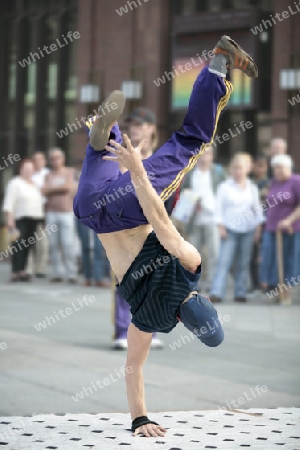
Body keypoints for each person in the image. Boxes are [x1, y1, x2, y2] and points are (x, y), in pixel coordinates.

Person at [74, 36, 257, 437]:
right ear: (184, 324)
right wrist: (141, 418)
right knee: (102, 154)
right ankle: (104, 138)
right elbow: (133, 367)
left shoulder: (190, 266)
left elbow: (158, 217)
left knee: (192, 139)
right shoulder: (152, 319)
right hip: (91, 211)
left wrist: (138, 171)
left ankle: (217, 66)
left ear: (203, 299)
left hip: (131, 206)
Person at [113, 107, 163, 350]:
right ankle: (123, 331)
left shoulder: (161, 157)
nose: (136, 128)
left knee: (153, 281)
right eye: (133, 124)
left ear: (152, 128)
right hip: (126, 224)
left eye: (142, 124)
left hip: (156, 224)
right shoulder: (121, 155)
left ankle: (148, 332)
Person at [210, 153, 264, 303]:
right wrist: (221, 227)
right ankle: (216, 292)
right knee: (224, 262)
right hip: (229, 230)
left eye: (241, 168)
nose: (238, 172)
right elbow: (218, 209)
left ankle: (240, 292)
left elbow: (257, 210)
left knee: (243, 262)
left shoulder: (252, 188)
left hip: (248, 230)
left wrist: (258, 229)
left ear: (247, 169)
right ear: (231, 169)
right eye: (235, 168)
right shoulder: (224, 187)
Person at [181, 146, 226, 293]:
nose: (205, 157)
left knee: (214, 253)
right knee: (194, 255)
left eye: (208, 154)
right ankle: (195, 284)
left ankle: (213, 285)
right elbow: (184, 193)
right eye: (202, 154)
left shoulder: (218, 172)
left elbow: (226, 193)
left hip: (213, 219)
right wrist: (192, 202)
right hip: (195, 220)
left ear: (212, 156)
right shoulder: (190, 173)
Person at [260, 154, 300, 305]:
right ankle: (277, 291)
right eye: (275, 168)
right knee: (272, 260)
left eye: (281, 167)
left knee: (288, 260)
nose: (277, 171)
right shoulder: (274, 183)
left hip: (290, 229)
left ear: (289, 168)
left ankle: (286, 294)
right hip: (271, 227)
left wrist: (289, 220)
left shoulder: (296, 181)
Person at [3, 159, 44, 281]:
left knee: (28, 246)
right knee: (18, 245)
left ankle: (22, 271)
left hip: (34, 219)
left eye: (30, 169)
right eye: (25, 169)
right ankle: (15, 272)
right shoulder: (15, 183)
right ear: (20, 169)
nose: (28, 171)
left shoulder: (34, 184)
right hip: (20, 219)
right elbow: (9, 202)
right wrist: (10, 220)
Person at [42, 148, 77, 283]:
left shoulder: (69, 172)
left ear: (63, 159)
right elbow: (43, 191)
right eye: (52, 158)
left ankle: (71, 273)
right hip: (51, 213)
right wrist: (56, 188)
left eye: (57, 158)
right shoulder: (48, 175)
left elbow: (68, 187)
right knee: (53, 244)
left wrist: (51, 189)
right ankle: (57, 272)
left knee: (68, 243)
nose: (55, 161)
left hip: (66, 212)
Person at [74, 161, 110, 287]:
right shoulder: (79, 176)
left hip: (99, 214)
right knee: (85, 246)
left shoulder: (105, 176)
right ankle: (87, 277)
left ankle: (99, 277)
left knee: (98, 247)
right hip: (83, 213)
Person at [26, 151, 50, 278]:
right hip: (30, 211)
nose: (37, 162)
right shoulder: (28, 174)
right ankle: (29, 268)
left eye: (40, 159)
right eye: (35, 159)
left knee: (43, 243)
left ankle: (40, 268)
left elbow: (48, 191)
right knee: (29, 241)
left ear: (44, 161)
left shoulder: (48, 174)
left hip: (44, 210)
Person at [249, 154, 269, 296]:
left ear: (266, 168)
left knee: (265, 254)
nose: (259, 169)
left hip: (267, 222)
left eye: (261, 166)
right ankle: (255, 283)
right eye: (257, 166)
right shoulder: (249, 183)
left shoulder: (270, 183)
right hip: (251, 223)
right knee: (252, 254)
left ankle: (266, 283)